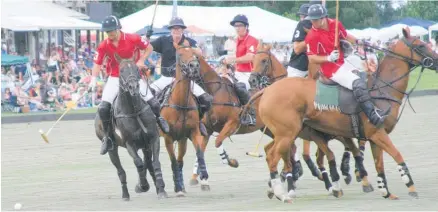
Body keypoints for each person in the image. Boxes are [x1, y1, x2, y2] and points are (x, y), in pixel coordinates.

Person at [90, 15, 169, 155]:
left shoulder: (132, 38)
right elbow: (97, 63)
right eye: (107, 32)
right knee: (103, 107)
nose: (109, 34)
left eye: (111, 31)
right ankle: (107, 137)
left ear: (118, 29)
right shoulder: (104, 45)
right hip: (115, 78)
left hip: (133, 76)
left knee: (153, 102)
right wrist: (93, 79)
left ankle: (159, 121)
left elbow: (149, 47)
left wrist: (142, 60)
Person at [305, 4, 387, 127]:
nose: (313, 22)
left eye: (315, 19)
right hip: (331, 69)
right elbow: (311, 58)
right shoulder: (312, 36)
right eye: (311, 19)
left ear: (323, 18)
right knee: (357, 83)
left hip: (344, 61)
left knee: (367, 75)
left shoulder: (335, 24)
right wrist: (328, 58)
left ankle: (371, 106)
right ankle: (372, 116)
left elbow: (345, 35)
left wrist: (358, 41)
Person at [146, 17, 213, 136]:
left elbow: (199, 53)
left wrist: (187, 48)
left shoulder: (188, 41)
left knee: (206, 99)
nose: (176, 31)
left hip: (185, 80)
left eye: (179, 28)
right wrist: (146, 38)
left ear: (182, 30)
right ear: (170, 30)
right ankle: (155, 121)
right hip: (165, 78)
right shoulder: (163, 40)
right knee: (147, 95)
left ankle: (199, 122)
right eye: (174, 28)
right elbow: (146, 47)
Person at [223, 14, 259, 126]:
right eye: (235, 26)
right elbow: (234, 60)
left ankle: (251, 114)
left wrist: (232, 60)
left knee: (239, 87)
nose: (237, 28)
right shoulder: (237, 40)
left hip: (250, 73)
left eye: (240, 25)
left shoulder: (251, 40)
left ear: (246, 26)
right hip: (238, 72)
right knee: (221, 82)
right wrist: (227, 67)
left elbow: (250, 57)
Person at [287, 3, 312, 77]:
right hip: (298, 67)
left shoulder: (319, 27)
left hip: (312, 68)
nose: (301, 18)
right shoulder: (301, 25)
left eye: (302, 16)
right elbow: (297, 49)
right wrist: (312, 37)